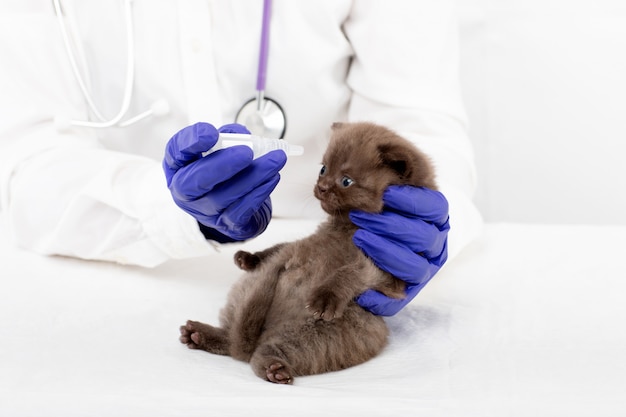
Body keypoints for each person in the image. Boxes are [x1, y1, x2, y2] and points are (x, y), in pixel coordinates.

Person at [0, 0, 482, 316]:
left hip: (346, 265)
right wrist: (170, 207)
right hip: (111, 288)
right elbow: (29, 165)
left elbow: (416, 118)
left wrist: (430, 224)